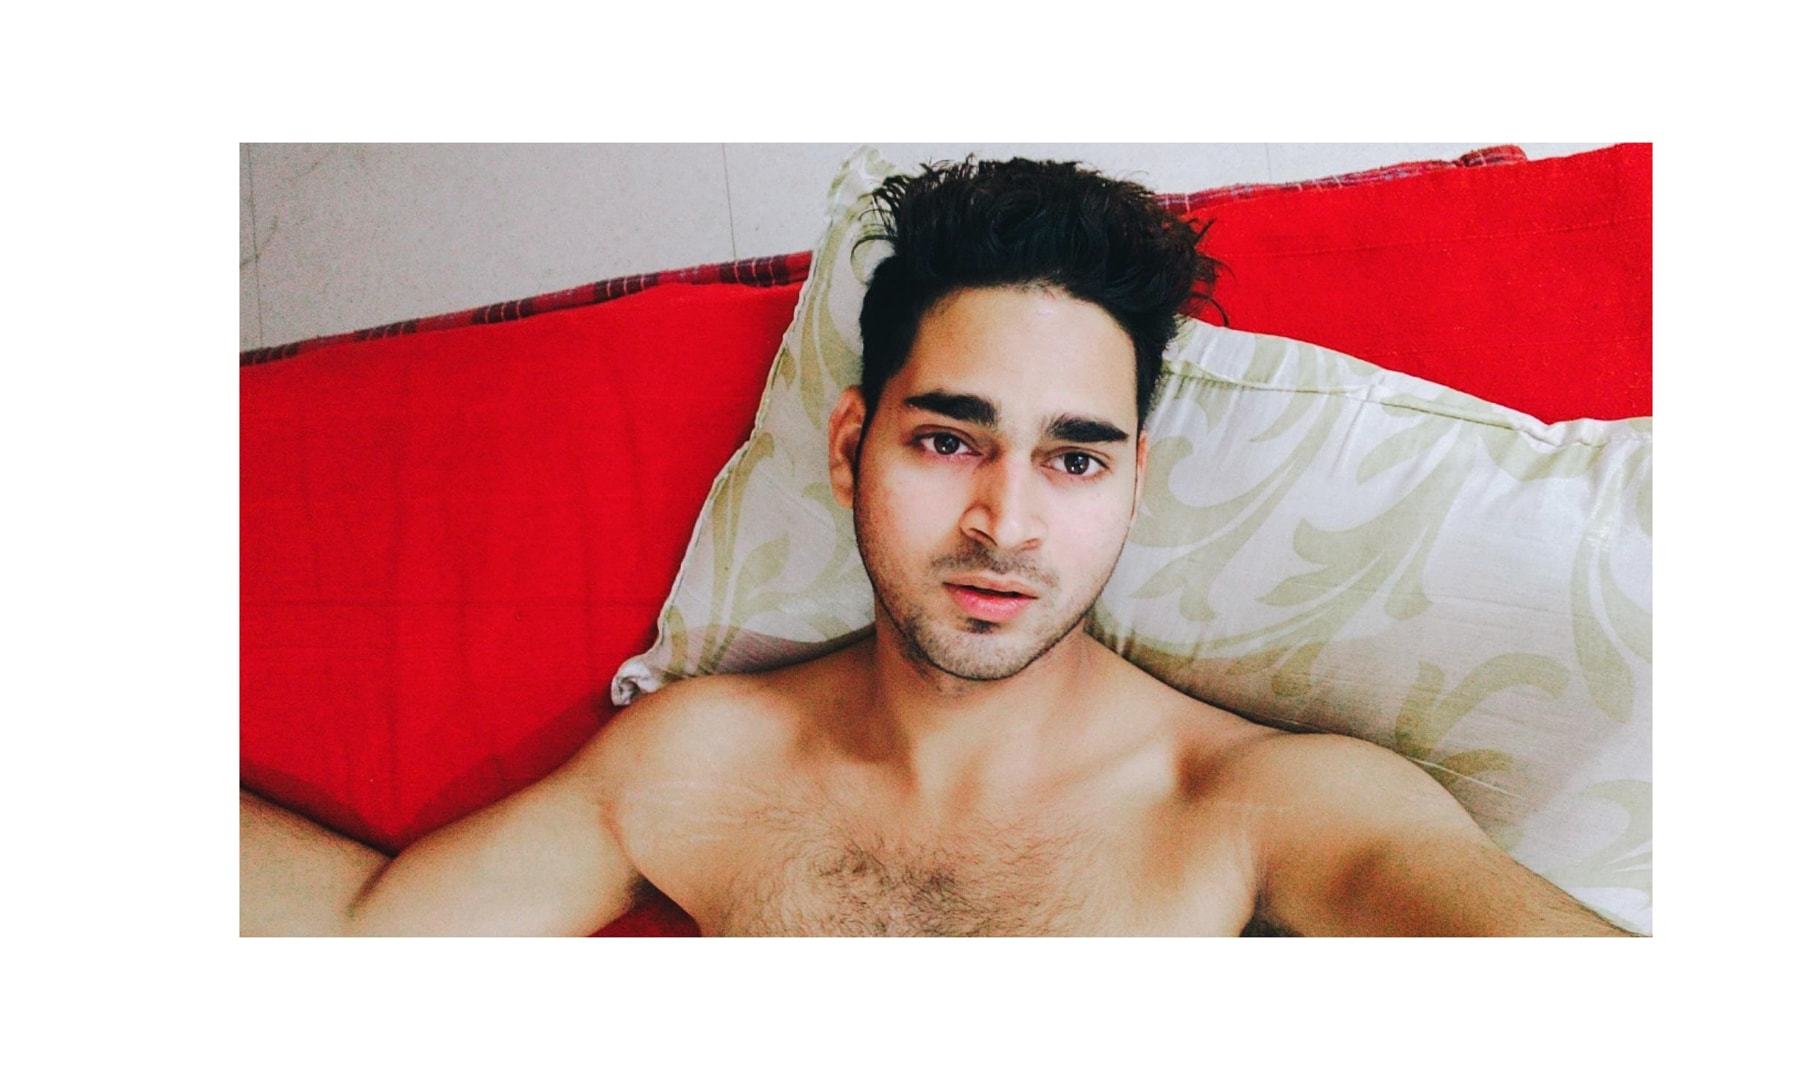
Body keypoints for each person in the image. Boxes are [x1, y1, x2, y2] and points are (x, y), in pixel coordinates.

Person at [241, 156, 1633, 937]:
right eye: (950, 439)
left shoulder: (1267, 803)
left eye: (1073, 459)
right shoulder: (699, 761)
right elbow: (374, 948)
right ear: (850, 444)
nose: (1005, 524)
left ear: (1133, 486)